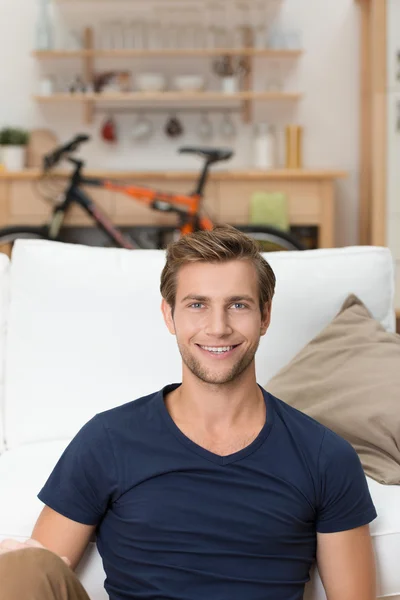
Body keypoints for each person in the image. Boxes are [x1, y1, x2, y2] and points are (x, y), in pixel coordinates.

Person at [0, 226, 377, 600]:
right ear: (169, 315)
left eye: (238, 305)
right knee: (21, 566)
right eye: (197, 305)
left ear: (264, 316)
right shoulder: (108, 440)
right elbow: (39, 574)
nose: (218, 327)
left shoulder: (324, 456)